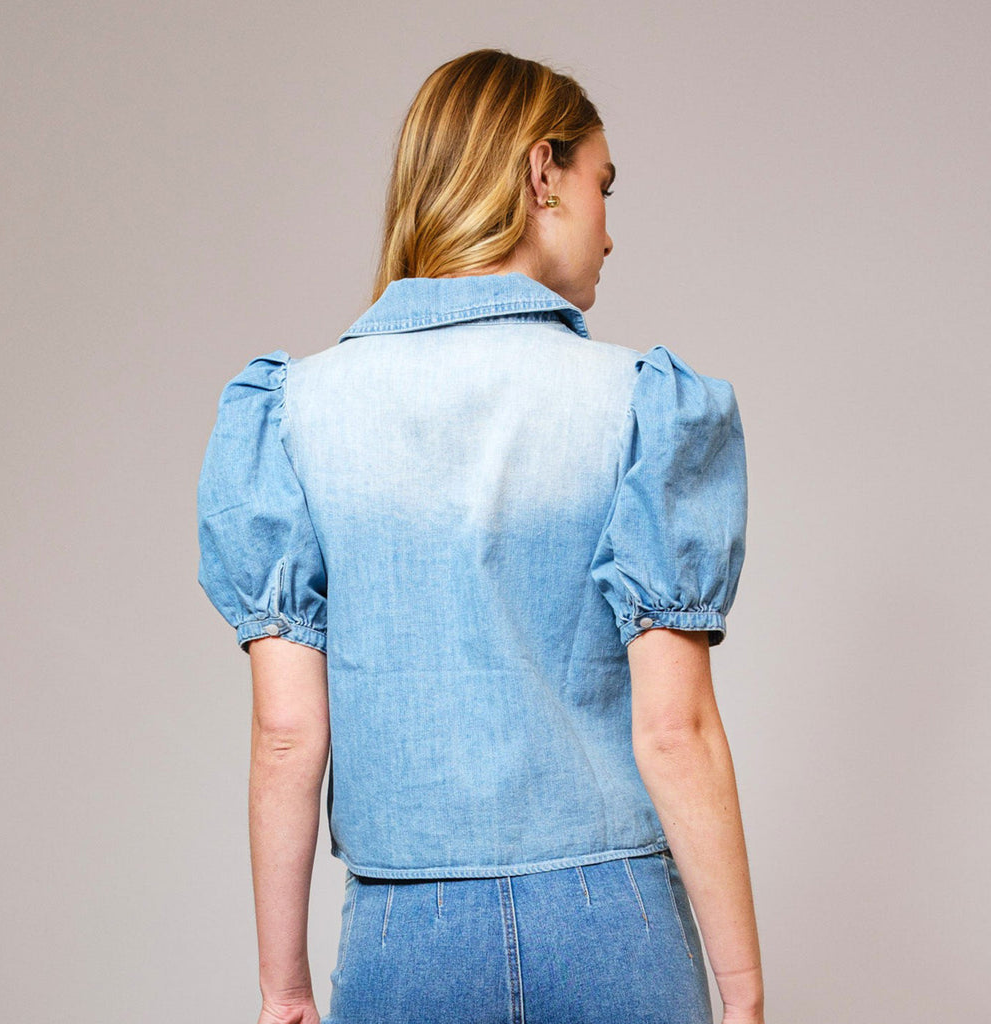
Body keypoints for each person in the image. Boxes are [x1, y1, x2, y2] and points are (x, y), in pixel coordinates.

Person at [197, 48, 764, 1024]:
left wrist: (283, 986)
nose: (610, 230)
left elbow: (287, 733)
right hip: (616, 925)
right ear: (543, 172)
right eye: (603, 186)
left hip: (406, 939)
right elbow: (676, 731)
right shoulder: (642, 406)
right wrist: (744, 995)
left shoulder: (292, 414)